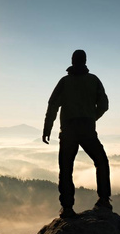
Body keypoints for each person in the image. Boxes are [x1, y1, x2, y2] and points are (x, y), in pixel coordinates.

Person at [42, 49, 112, 218]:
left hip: (68, 130)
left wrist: (47, 129)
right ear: (85, 61)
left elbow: (52, 105)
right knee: (101, 161)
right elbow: (104, 104)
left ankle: (67, 208)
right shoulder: (93, 80)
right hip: (87, 129)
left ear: (72, 61)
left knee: (66, 169)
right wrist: (91, 117)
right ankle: (104, 199)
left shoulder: (65, 82)